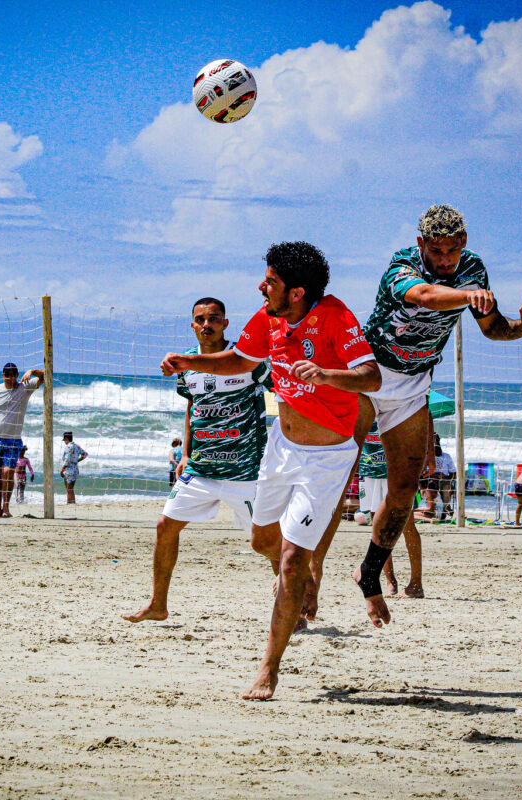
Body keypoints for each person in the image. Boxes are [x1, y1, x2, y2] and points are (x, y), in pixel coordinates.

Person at [160, 241, 381, 700]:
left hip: (326, 459)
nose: (262, 287)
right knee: (263, 541)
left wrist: (325, 375)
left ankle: (268, 668)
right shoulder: (268, 317)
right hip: (281, 450)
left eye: (272, 281)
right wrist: (189, 361)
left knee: (290, 558)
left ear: (297, 291)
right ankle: (305, 579)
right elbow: (241, 360)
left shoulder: (336, 318)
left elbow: (371, 378)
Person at [318, 204, 522, 629]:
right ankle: (310, 575)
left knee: (405, 491)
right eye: (437, 252)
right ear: (422, 243)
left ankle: (368, 571)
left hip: (412, 384)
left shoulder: (473, 268)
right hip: (369, 372)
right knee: (338, 477)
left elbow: (493, 327)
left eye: (452, 251)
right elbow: (425, 295)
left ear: (464, 242)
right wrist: (466, 295)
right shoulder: (403, 264)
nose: (445, 260)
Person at [124, 297, 272, 624]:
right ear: (193, 325)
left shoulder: (247, 360)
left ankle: (292, 603)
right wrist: (186, 453)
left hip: (245, 472)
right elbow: (193, 407)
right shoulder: (186, 366)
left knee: (267, 543)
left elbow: (282, 390)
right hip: (200, 470)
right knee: (165, 526)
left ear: (225, 323)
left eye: (214, 319)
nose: (207, 325)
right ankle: (158, 604)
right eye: (201, 320)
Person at [356, 421, 424, 598]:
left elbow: (424, 418)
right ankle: (389, 582)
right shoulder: (360, 396)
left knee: (407, 525)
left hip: (397, 469)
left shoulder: (400, 395)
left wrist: (427, 456)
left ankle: (416, 583)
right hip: (369, 468)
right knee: (377, 525)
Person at [0, 363, 44, 518]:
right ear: (3, 375)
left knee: (8, 472)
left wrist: (32, 370)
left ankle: (6, 507)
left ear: (17, 375)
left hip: (13, 438)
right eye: (7, 375)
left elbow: (47, 374)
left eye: (13, 374)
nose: (10, 377)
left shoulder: (24, 388)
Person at [418, 432, 455, 521]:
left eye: (436, 442)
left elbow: (454, 473)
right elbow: (419, 474)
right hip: (428, 480)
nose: (434, 444)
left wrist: (445, 477)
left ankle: (445, 509)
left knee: (447, 488)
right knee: (430, 485)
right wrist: (422, 485)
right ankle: (431, 510)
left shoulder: (446, 456)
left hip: (443, 481)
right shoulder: (424, 456)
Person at [61, 432, 88, 503]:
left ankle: (70, 502)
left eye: (64, 440)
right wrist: (77, 461)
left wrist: (62, 469)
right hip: (75, 468)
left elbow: (67, 459)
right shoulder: (77, 446)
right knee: (71, 488)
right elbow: (85, 454)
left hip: (69, 469)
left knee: (68, 489)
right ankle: (71, 502)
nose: (64, 442)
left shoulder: (68, 447)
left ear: (66, 439)